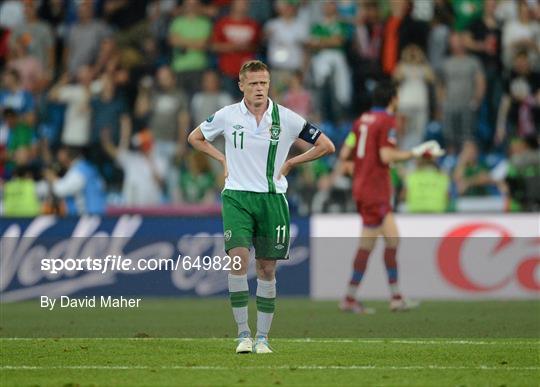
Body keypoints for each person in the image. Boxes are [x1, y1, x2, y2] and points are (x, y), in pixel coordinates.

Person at [188, 60, 335, 353]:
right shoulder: (227, 115)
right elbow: (195, 137)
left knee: (267, 269)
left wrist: (293, 161)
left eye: (263, 83)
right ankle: (243, 334)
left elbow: (326, 146)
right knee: (238, 260)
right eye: (253, 83)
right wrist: (221, 159)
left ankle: (263, 338)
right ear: (241, 85)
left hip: (272, 199)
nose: (259, 88)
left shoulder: (288, 118)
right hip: (237, 196)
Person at [333, 81, 443, 314]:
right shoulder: (387, 121)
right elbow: (385, 154)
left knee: (392, 240)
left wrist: (360, 170)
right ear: (393, 99)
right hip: (375, 190)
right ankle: (350, 298)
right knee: (368, 244)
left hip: (365, 188)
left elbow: (345, 154)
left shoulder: (361, 121)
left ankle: (395, 297)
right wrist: (416, 153)